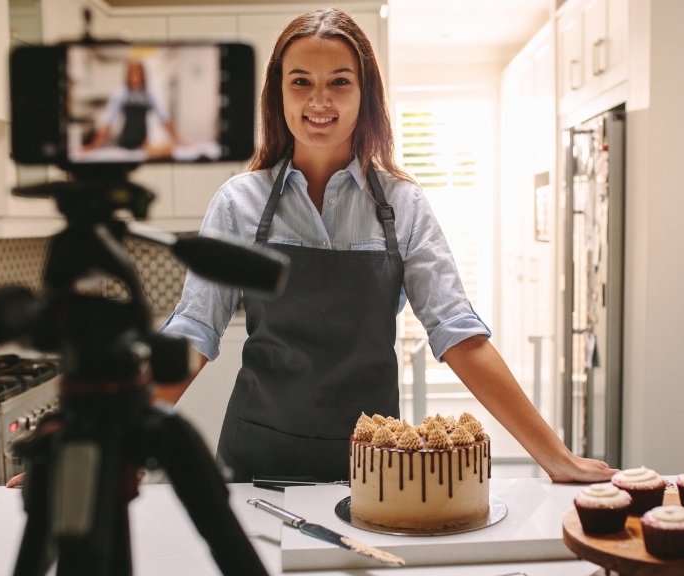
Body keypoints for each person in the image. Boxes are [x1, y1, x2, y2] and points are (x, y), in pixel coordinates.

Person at [155, 8, 615, 485]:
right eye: (300, 82)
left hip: (374, 464)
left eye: (339, 82)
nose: (319, 100)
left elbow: (458, 333)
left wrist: (556, 458)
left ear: (364, 94)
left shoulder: (403, 204)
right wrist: (122, 441)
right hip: (256, 462)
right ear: (277, 92)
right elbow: (194, 329)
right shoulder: (238, 203)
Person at [84, 60, 182, 154]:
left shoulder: (148, 96)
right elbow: (108, 122)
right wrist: (93, 145)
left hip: (143, 143)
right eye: (133, 72)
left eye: (138, 72)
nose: (136, 75)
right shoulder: (121, 94)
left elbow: (164, 119)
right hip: (125, 143)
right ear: (128, 74)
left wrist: (179, 141)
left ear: (143, 75)